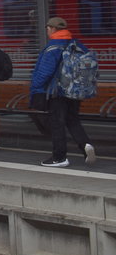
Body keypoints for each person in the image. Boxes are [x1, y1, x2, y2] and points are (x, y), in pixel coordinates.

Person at [30, 16, 98, 168]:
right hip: (75, 91)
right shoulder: (76, 44)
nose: (47, 30)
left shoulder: (53, 47)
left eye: (47, 28)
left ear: (53, 29)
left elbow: (44, 72)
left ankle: (59, 157)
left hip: (57, 92)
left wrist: (35, 88)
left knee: (57, 123)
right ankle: (86, 146)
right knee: (72, 120)